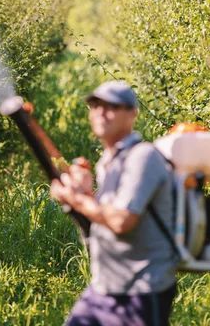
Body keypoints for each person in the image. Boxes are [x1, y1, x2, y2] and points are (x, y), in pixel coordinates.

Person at [50, 81, 178, 326]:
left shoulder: (143, 156)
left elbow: (120, 221)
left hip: (141, 291)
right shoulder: (107, 161)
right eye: (95, 105)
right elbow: (103, 216)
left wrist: (75, 198)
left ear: (132, 114)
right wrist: (85, 195)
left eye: (111, 106)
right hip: (104, 287)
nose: (100, 111)